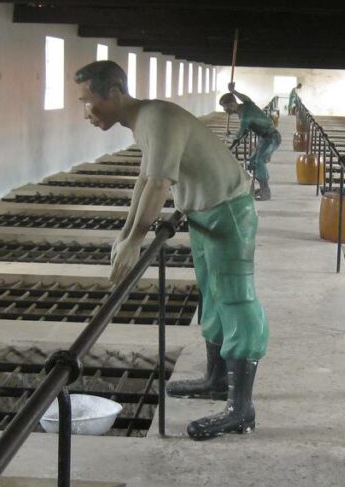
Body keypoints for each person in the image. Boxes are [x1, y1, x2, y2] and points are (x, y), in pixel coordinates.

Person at [75, 60, 269, 441]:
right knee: (212, 296)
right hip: (201, 213)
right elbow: (145, 179)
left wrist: (136, 240)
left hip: (227, 211)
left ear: (113, 94)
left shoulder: (157, 117)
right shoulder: (145, 120)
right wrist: (127, 234)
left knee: (236, 299)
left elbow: (161, 185)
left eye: (87, 101)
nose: (86, 112)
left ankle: (241, 408)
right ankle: (216, 379)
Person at [219, 83, 281, 201]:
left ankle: (265, 191)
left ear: (232, 104)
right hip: (264, 138)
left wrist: (228, 140)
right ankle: (255, 188)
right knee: (251, 162)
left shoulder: (245, 116)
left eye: (225, 106)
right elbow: (247, 99)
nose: (224, 110)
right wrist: (234, 91)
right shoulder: (246, 106)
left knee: (258, 161)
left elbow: (239, 135)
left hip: (272, 138)